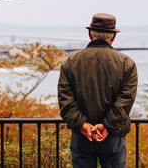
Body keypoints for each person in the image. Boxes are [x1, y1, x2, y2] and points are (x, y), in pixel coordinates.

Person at [57, 13, 138, 168]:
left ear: (90, 34)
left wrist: (83, 125)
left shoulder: (70, 63)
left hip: (82, 136)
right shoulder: (127, 64)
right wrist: (106, 126)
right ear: (113, 36)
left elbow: (65, 100)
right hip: (114, 135)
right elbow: (125, 101)